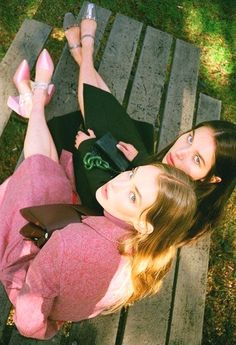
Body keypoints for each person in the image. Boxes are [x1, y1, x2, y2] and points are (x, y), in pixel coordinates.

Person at [1, 44, 196, 340]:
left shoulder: (70, 245)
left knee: (37, 174)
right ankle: (35, 100)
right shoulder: (152, 254)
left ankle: (36, 99)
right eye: (130, 174)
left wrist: (47, 327)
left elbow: (28, 323)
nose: (116, 184)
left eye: (132, 196)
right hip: (68, 272)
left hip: (29, 274)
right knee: (50, 174)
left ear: (145, 223)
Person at [42, 4, 235, 245]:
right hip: (133, 172)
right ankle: (83, 55)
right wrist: (140, 160)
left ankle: (85, 51)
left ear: (213, 179)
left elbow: (111, 205)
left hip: (106, 204)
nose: (179, 154)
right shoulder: (177, 175)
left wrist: (88, 148)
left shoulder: (181, 213)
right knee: (116, 122)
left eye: (197, 159)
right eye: (189, 138)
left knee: (101, 128)